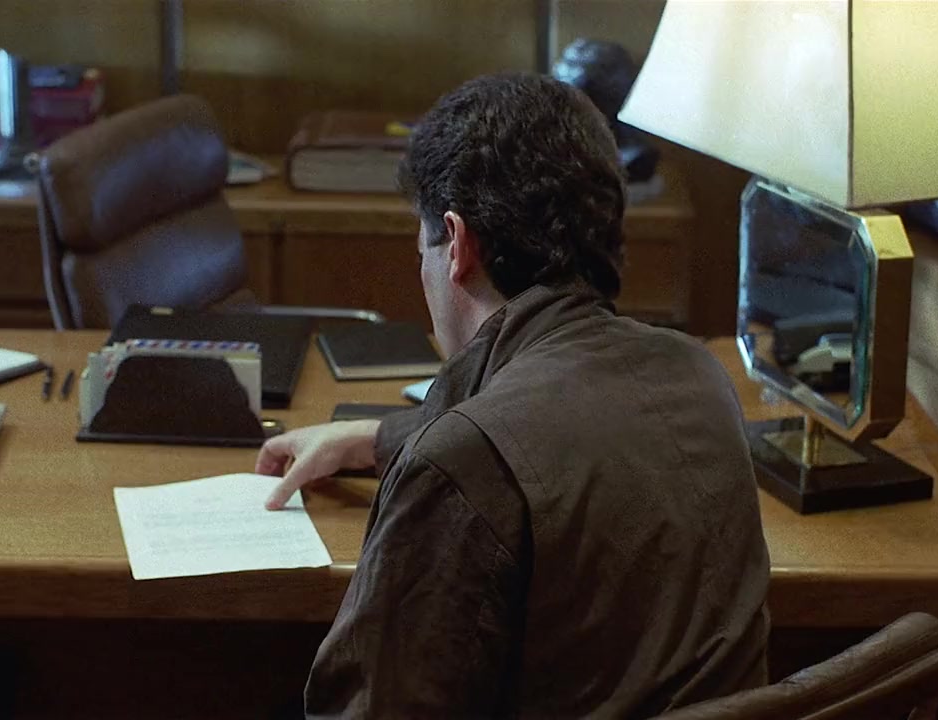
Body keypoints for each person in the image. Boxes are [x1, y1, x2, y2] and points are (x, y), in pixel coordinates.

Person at [256, 72, 770, 718]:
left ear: (456, 244)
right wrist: (376, 439)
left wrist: (431, 452)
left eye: (421, 250)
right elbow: (561, 435)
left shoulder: (461, 465)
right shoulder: (700, 375)